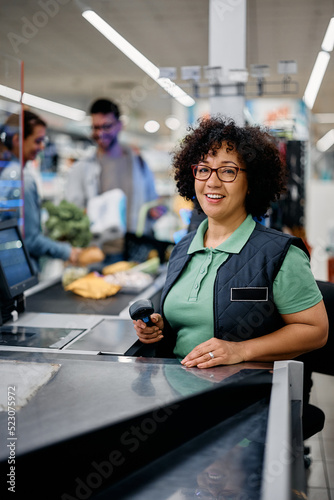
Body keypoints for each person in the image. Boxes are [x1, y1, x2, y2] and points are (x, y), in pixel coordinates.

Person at [132, 115, 328, 370]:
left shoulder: (279, 253)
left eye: (227, 171)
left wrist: (240, 349)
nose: (212, 182)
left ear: (251, 183)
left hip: (242, 394)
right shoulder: (183, 248)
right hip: (176, 387)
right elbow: (187, 324)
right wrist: (158, 328)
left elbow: (316, 330)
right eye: (203, 169)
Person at [64, 98, 159, 261]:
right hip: (101, 251)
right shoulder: (82, 168)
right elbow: (71, 210)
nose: (100, 133)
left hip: (136, 247)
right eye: (96, 127)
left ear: (120, 125)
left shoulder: (138, 162)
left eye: (106, 126)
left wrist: (155, 211)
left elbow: (152, 201)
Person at [0, 110, 82, 273]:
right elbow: (29, 239)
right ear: (17, 140)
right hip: (20, 270)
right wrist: (67, 252)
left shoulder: (7, 172)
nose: (42, 147)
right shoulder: (24, 180)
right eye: (37, 141)